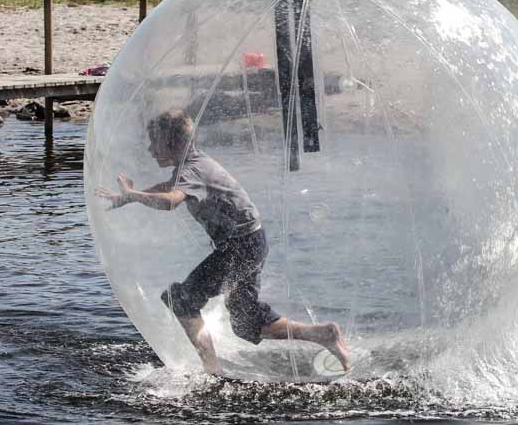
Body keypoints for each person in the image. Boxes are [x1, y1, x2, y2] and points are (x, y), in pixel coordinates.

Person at [92, 110, 349, 376]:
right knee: (246, 322)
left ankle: (212, 371)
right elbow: (169, 187)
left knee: (181, 299)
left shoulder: (194, 170)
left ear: (172, 142)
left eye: (154, 141)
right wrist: (130, 197)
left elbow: (170, 201)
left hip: (241, 246)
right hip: (251, 242)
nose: (150, 148)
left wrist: (134, 194)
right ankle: (322, 334)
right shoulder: (193, 165)